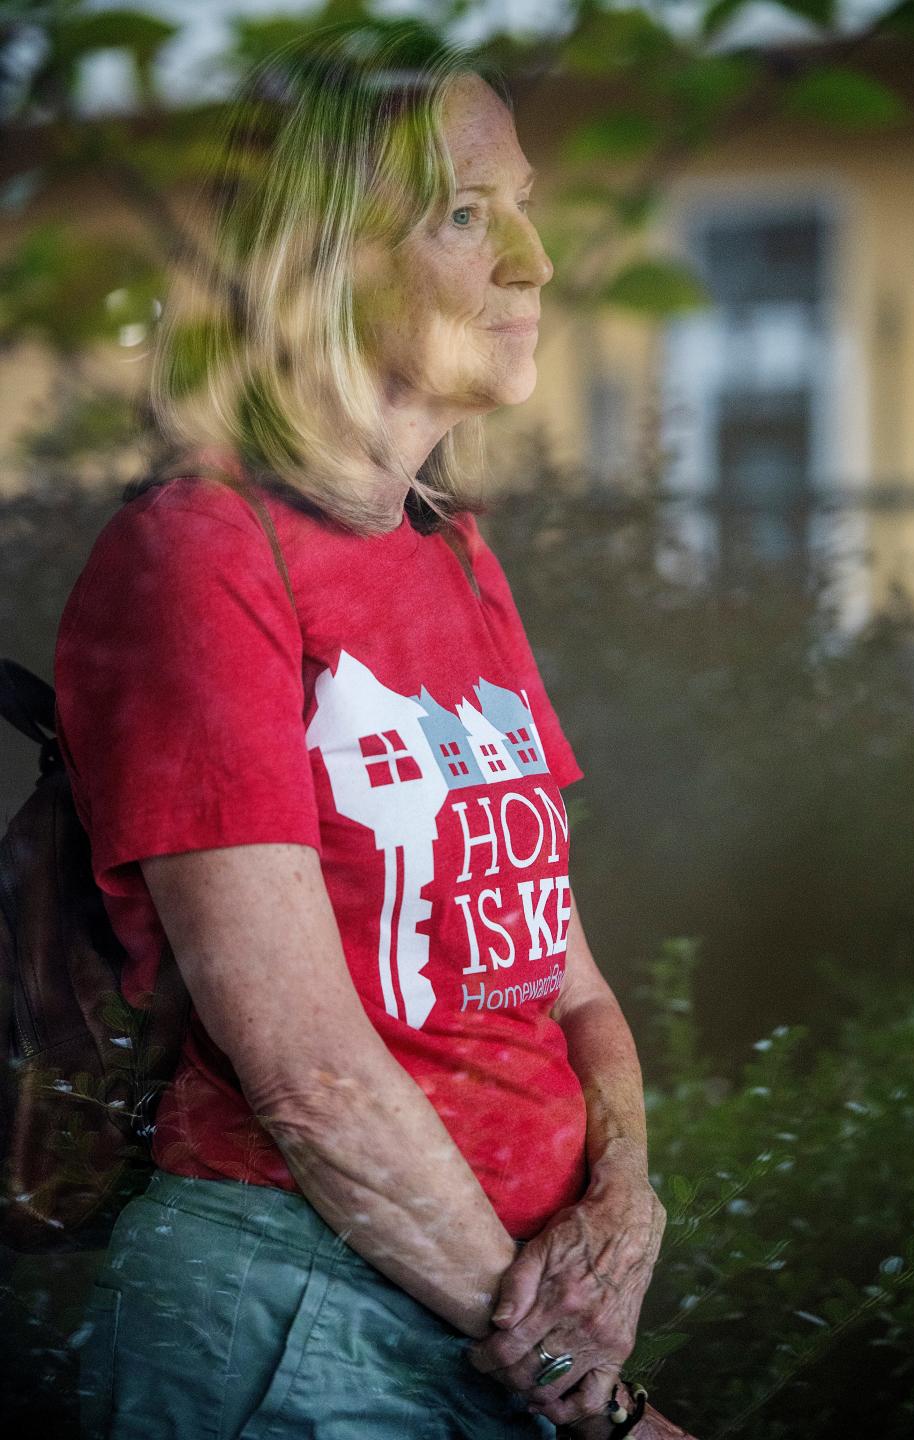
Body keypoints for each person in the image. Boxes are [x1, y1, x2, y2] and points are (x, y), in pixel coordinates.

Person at [56, 25, 696, 1440]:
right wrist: (589, 1396)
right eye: (470, 216)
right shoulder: (197, 554)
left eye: (525, 206)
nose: (534, 262)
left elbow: (565, 977)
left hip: (490, 1318)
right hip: (290, 1324)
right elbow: (312, 1075)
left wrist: (627, 1204)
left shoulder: (451, 550)